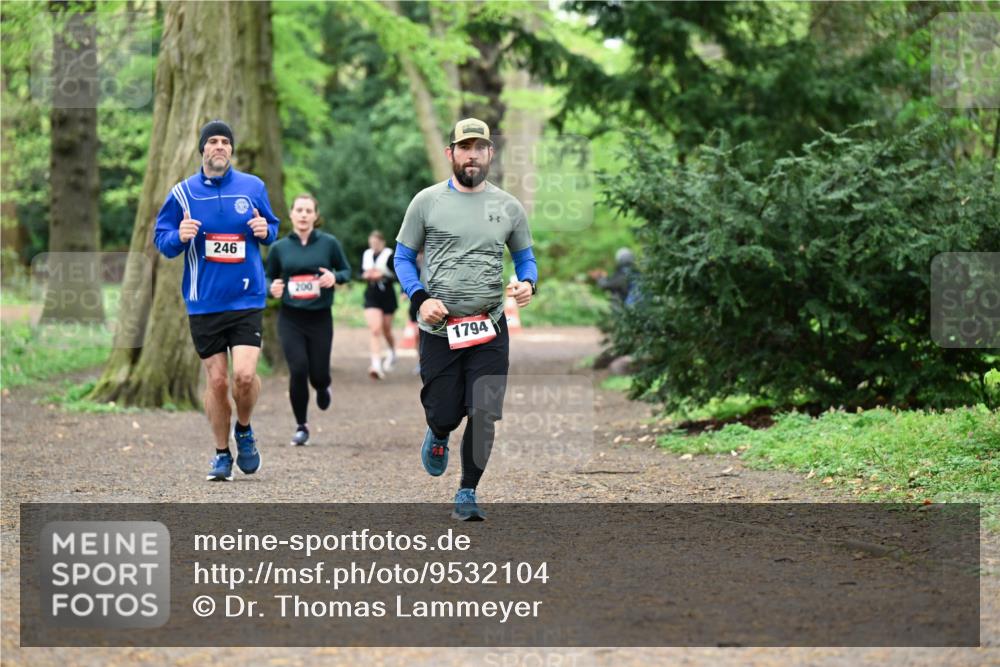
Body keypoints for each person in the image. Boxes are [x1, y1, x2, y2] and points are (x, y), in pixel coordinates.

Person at [394, 117, 538, 521]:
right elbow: (402, 257)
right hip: (440, 328)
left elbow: (525, 258)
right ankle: (439, 432)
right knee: (444, 412)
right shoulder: (426, 202)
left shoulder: (508, 207)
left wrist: (528, 282)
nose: (471, 155)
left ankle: (467, 490)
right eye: (464, 147)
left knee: (484, 410)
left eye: (479, 148)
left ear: (490, 153)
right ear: (450, 153)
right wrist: (420, 298)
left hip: (489, 324)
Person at [153, 120, 279, 481]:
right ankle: (222, 454)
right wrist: (178, 236)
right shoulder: (182, 194)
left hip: (246, 297)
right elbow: (162, 241)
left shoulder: (253, 187)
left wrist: (265, 231)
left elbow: (271, 227)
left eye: (225, 141)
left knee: (244, 375)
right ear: (203, 150)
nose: (219, 146)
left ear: (231, 149)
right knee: (219, 382)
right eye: (213, 141)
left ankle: (245, 429)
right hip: (204, 301)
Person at [266, 194, 352, 446]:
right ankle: (301, 425)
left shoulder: (329, 244)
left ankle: (323, 386)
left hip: (320, 317)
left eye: (308, 211)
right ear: (291, 214)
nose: (303, 215)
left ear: (316, 216)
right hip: (290, 318)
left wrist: (334, 278)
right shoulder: (279, 248)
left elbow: (346, 270)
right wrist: (272, 287)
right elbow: (268, 276)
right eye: (299, 210)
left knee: (318, 373)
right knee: (298, 369)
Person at [361, 230, 398, 379]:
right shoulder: (366, 254)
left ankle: (392, 350)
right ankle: (376, 365)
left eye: (376, 243)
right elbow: (359, 272)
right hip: (371, 296)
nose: (374, 246)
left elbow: (398, 275)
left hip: (387, 296)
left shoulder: (390, 255)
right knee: (375, 330)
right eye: (371, 243)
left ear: (382, 242)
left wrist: (383, 275)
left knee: (386, 330)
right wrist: (365, 275)